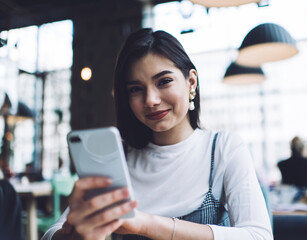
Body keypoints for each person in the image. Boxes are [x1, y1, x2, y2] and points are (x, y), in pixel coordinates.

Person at [41, 28, 272, 240]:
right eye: (135, 89)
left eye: (164, 81)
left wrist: (145, 224)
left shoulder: (223, 148)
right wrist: (76, 232)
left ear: (191, 82)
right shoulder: (119, 158)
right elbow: (51, 233)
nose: (150, 100)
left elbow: (259, 236)